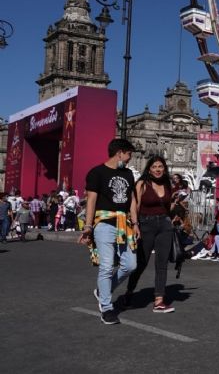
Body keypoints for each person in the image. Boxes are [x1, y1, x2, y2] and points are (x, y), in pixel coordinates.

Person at [78, 138, 138, 325]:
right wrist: (88, 226)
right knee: (106, 266)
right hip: (104, 223)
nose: (129, 160)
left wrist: (135, 223)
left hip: (124, 223)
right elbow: (91, 201)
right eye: (128, 155)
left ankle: (102, 290)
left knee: (130, 265)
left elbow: (132, 201)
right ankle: (106, 307)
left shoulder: (128, 174)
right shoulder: (97, 173)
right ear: (120, 152)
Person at [124, 155, 178, 313]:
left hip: (165, 225)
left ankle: (159, 300)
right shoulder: (142, 183)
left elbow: (167, 207)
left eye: (160, 167)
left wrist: (175, 205)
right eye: (154, 167)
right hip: (146, 224)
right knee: (141, 262)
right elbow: (134, 205)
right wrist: (135, 225)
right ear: (149, 169)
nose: (158, 170)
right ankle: (129, 291)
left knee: (162, 264)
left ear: (164, 168)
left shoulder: (167, 184)